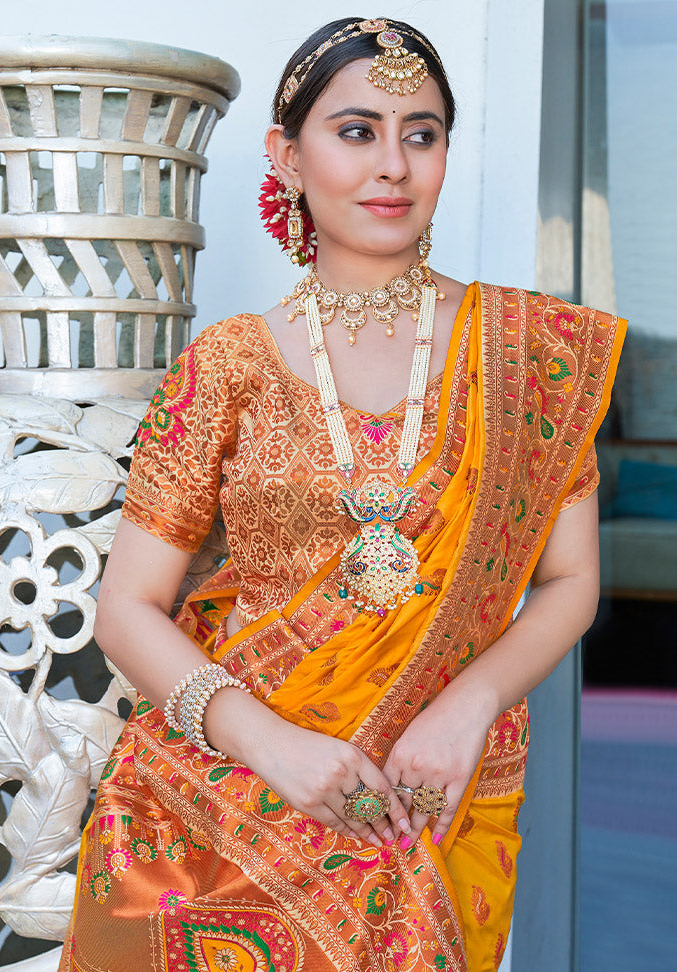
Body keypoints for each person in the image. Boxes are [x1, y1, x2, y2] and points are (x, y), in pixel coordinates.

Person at [59, 17, 626, 972]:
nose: (393, 166)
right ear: (287, 154)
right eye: (357, 130)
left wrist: (468, 706)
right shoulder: (228, 364)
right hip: (227, 791)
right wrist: (274, 747)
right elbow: (129, 607)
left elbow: (571, 581)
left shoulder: (533, 356)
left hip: (432, 790)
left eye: (423, 133)